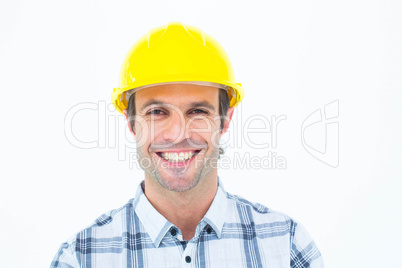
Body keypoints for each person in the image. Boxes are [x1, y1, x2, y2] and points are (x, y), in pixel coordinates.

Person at [51, 22, 324, 268]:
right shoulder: (81, 258)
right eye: (157, 112)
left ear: (225, 120)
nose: (177, 133)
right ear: (132, 123)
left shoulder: (287, 247)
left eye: (197, 112)